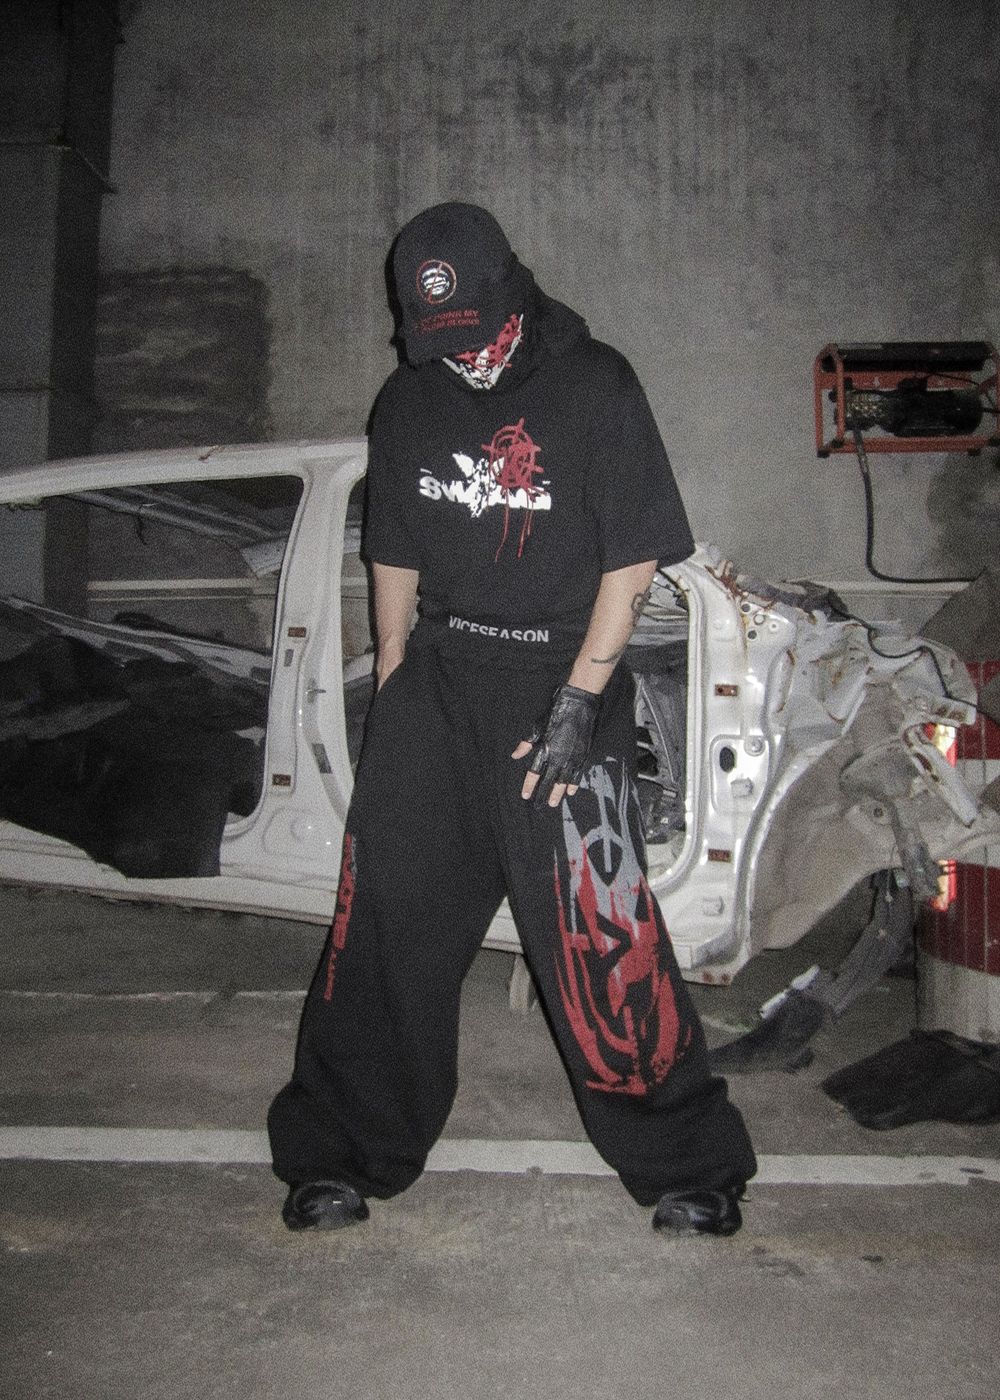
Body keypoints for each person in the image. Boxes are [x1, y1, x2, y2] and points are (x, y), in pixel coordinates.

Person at [268, 201, 756, 1235]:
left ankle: (686, 1161)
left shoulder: (595, 384)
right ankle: (341, 1151)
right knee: (384, 922)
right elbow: (392, 550)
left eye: (474, 332)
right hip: (439, 682)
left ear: (512, 292)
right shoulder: (408, 399)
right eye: (437, 337)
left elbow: (632, 556)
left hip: (559, 678)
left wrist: (582, 698)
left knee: (597, 929)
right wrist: (394, 679)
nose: (463, 356)